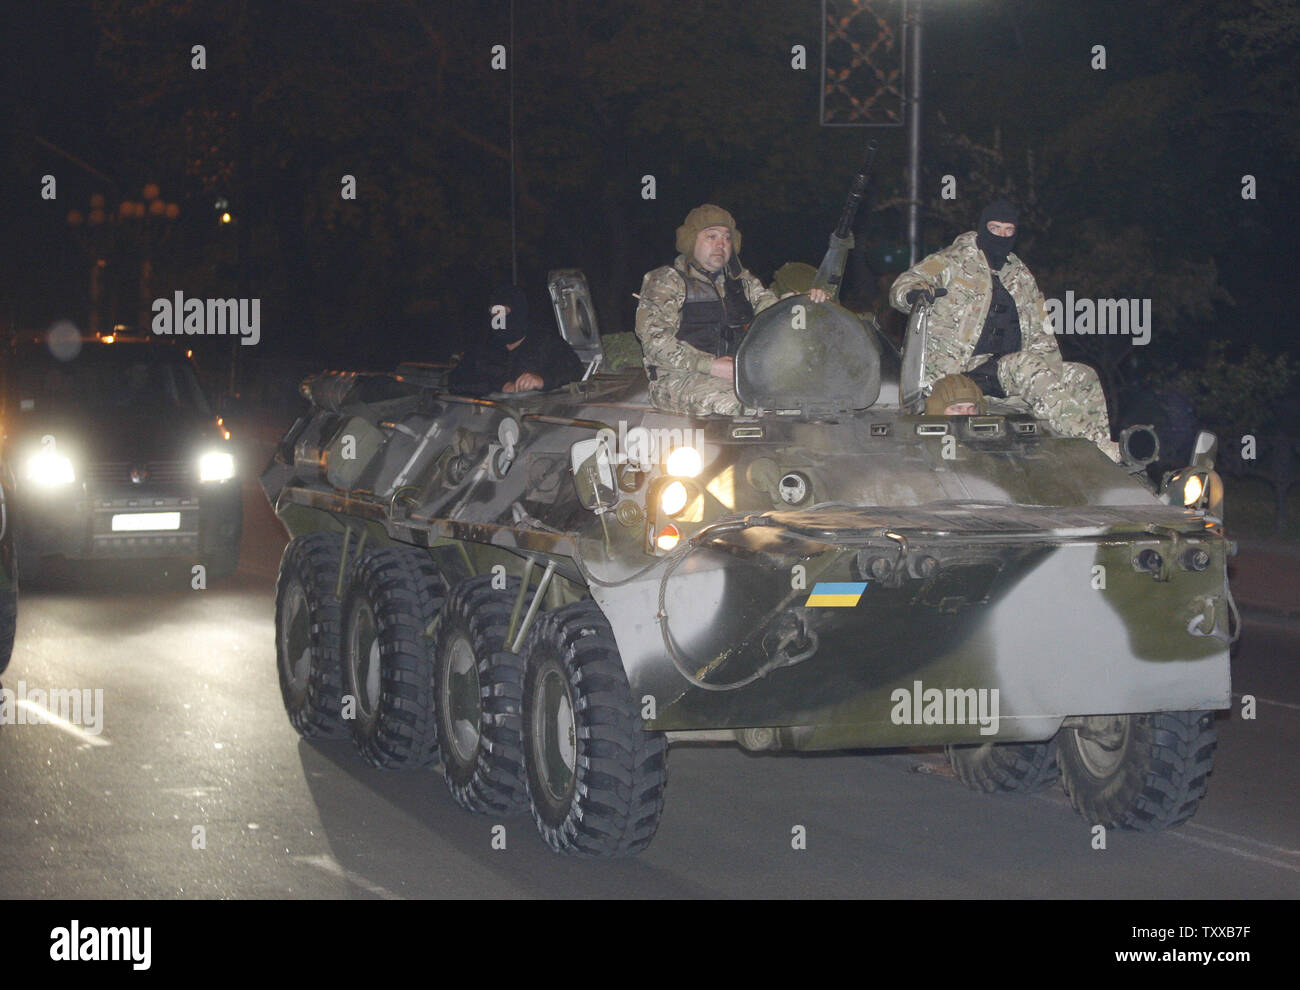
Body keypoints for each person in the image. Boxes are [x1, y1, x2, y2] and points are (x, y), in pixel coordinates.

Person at [890, 199, 1121, 461]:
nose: (1001, 236)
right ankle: (1097, 449)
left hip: (1002, 371)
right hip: (958, 371)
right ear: (982, 228)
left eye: (1008, 231)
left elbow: (1040, 327)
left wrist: (1050, 370)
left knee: (1082, 375)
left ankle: (1094, 456)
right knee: (1024, 367)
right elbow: (904, 284)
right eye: (995, 228)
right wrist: (914, 295)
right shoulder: (952, 261)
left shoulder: (1020, 275)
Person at [634, 205, 827, 416]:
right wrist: (709, 366)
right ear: (691, 241)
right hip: (678, 379)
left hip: (741, 376)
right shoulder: (667, 281)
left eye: (726, 238)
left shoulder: (741, 282)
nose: (721, 244)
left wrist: (803, 302)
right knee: (753, 406)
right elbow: (655, 341)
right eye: (711, 237)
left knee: (805, 401)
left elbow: (773, 314)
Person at [449, 284, 582, 397]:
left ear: (518, 311)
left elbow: (575, 371)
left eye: (502, 312)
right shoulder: (485, 347)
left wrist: (542, 380)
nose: (498, 319)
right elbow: (456, 381)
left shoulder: (545, 341)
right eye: (493, 313)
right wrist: (501, 385)